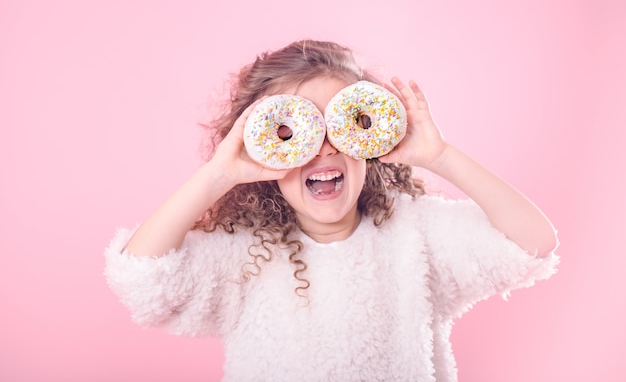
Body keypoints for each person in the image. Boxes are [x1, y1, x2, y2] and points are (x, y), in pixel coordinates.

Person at [104, 39, 559, 382]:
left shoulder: (417, 235)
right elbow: (142, 276)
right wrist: (219, 175)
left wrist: (439, 156)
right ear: (264, 151)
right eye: (293, 132)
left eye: (345, 125)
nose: (323, 148)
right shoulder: (246, 255)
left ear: (373, 140)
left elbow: (532, 244)